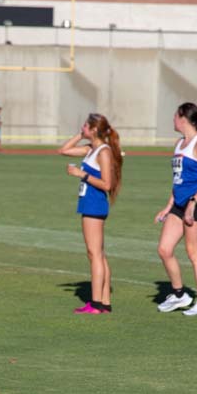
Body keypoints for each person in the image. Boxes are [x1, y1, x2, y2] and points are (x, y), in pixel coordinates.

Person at [155, 102, 197, 316]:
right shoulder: (179, 143)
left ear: (183, 118)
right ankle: (180, 295)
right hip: (179, 204)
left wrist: (192, 203)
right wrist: (168, 206)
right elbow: (178, 180)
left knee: (193, 252)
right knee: (164, 249)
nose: (172, 120)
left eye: (174, 116)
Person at [58, 113, 122, 314]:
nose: (82, 127)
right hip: (89, 204)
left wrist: (81, 174)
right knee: (98, 255)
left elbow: (107, 183)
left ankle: (95, 304)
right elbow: (63, 150)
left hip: (95, 205)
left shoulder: (103, 152)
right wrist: (80, 135)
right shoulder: (91, 149)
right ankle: (104, 302)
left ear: (94, 129)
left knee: (94, 254)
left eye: (85, 126)